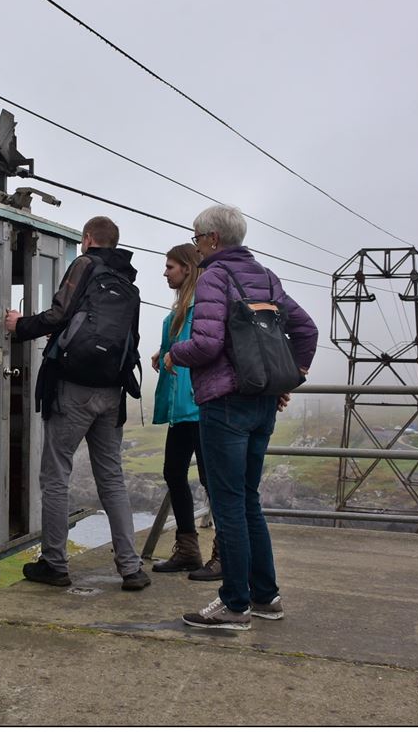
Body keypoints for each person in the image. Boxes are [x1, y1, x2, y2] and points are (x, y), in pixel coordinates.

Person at [166, 205, 317, 629]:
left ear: (212, 239)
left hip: (225, 403)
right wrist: (291, 378)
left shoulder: (214, 277)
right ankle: (266, 597)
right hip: (262, 403)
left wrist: (173, 353)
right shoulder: (267, 277)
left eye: (196, 239)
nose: (195, 245)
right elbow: (306, 331)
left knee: (229, 504)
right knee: (248, 501)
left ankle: (235, 604)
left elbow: (208, 345)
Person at [3, 215, 149, 591]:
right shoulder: (128, 281)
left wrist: (19, 326)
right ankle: (131, 568)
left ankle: (54, 563)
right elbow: (130, 338)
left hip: (74, 388)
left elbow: (58, 315)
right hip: (112, 391)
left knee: (56, 475)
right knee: (112, 479)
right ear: (114, 243)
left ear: (87, 239)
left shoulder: (84, 264)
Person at [149, 243, 219, 578]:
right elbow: (174, 351)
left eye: (171, 266)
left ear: (187, 269)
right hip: (183, 411)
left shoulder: (204, 309)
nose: (165, 272)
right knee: (174, 473)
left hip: (201, 407)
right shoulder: (175, 316)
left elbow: (205, 350)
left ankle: (223, 553)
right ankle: (189, 549)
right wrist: (161, 354)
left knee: (210, 479)